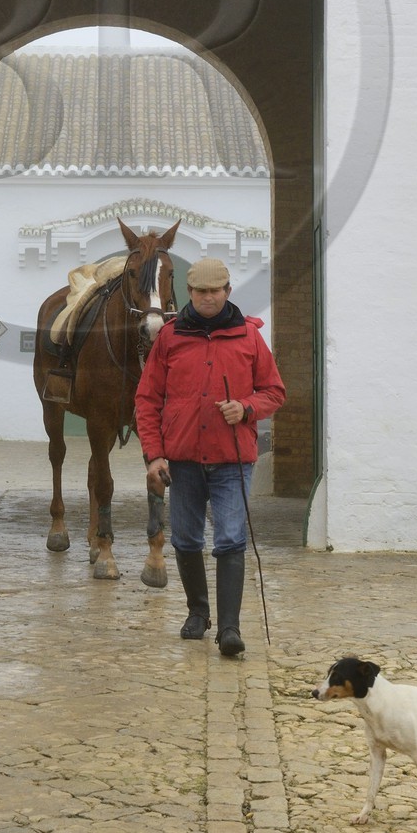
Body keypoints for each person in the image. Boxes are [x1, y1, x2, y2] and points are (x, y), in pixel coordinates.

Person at [134, 257, 285, 657]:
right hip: (182, 460)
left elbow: (274, 391)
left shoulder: (250, 337)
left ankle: (230, 628)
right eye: (200, 291)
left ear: (227, 292)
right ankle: (198, 613)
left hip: (232, 459)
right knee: (185, 537)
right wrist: (154, 456)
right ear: (190, 293)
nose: (207, 297)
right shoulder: (169, 338)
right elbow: (147, 399)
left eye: (214, 291)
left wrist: (247, 408)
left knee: (231, 538)